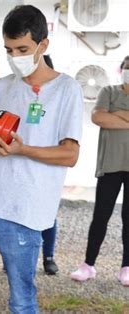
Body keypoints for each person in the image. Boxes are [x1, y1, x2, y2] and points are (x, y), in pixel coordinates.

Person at [0, 5, 84, 313]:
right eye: (9, 50)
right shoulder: (4, 86)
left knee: (22, 302)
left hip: (23, 216)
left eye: (22, 49)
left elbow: (70, 154)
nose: (15, 56)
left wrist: (22, 150)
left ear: (43, 45)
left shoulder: (66, 89)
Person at [70, 55, 129, 286]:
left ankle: (126, 266)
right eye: (127, 67)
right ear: (121, 69)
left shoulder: (113, 100)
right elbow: (98, 117)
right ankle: (88, 264)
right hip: (110, 165)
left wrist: (117, 116)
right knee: (100, 216)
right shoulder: (108, 91)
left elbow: (108, 117)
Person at [40, 54, 59, 276]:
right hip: (20, 162)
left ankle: (48, 256)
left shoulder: (58, 96)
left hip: (48, 164)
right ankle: (11, 257)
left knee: (48, 214)